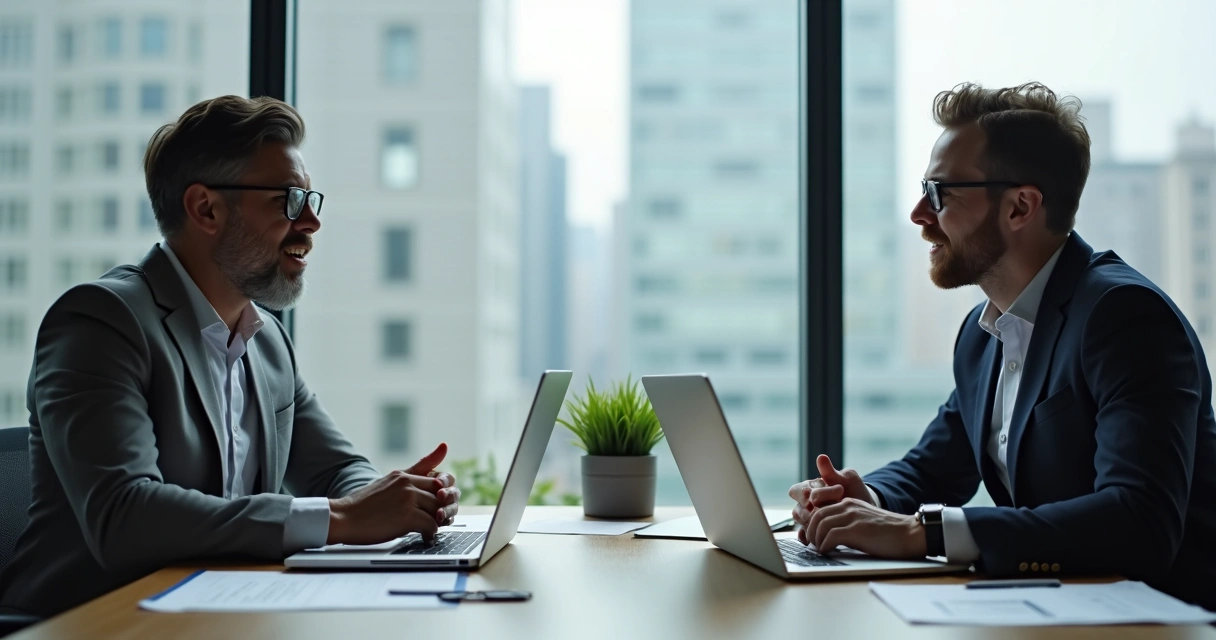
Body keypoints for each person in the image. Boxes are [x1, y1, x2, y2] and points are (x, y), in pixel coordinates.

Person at [0, 96, 462, 617]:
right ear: (207, 209)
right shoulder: (100, 321)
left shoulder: (265, 343)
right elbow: (124, 516)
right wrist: (343, 518)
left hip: (222, 614)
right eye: (288, 200)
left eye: (312, 200)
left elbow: (337, 471)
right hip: (91, 623)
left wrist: (398, 501)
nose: (310, 222)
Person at [789, 82, 1216, 610]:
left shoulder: (1124, 317)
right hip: (1055, 610)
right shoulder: (981, 333)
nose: (920, 213)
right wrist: (861, 500)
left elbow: (1139, 522)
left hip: (1159, 622)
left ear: (1020, 206)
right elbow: (934, 466)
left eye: (940, 192)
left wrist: (923, 534)